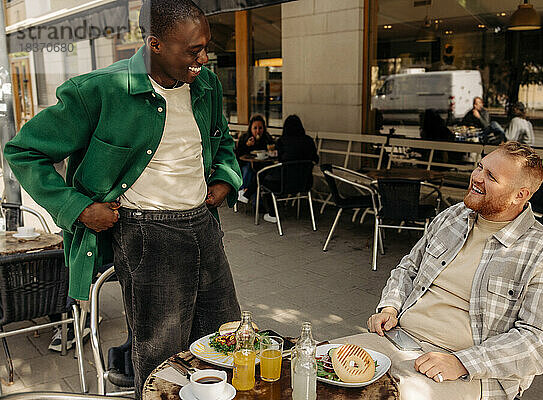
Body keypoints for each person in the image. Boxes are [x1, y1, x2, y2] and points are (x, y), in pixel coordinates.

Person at [4, 1, 242, 397]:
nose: (204, 58)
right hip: (147, 235)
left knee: (226, 341)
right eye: (193, 50)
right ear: (156, 44)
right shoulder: (98, 90)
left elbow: (222, 142)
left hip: (205, 224)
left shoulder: (206, 85)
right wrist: (78, 208)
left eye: (206, 46)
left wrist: (224, 179)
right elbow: (24, 152)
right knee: (163, 359)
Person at [367, 142, 543, 400]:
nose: (477, 178)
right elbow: (408, 267)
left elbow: (539, 342)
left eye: (491, 176)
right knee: (315, 366)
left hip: (467, 371)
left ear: (519, 195)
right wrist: (390, 306)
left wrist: (462, 363)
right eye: (480, 167)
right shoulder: (453, 216)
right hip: (397, 339)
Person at [244, 114, 318, 223]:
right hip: (305, 183)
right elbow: (315, 159)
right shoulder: (309, 141)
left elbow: (278, 158)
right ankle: (247, 194)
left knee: (264, 179)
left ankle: (272, 213)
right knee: (266, 174)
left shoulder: (283, 141)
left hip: (284, 184)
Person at [235, 114, 274, 203]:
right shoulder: (245, 138)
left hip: (262, 165)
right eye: (255, 128)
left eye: (260, 128)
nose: (258, 131)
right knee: (249, 169)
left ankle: (251, 198)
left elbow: (272, 151)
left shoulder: (267, 138)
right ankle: (243, 190)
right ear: (251, 128)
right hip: (246, 164)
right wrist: (247, 146)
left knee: (260, 174)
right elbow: (238, 154)